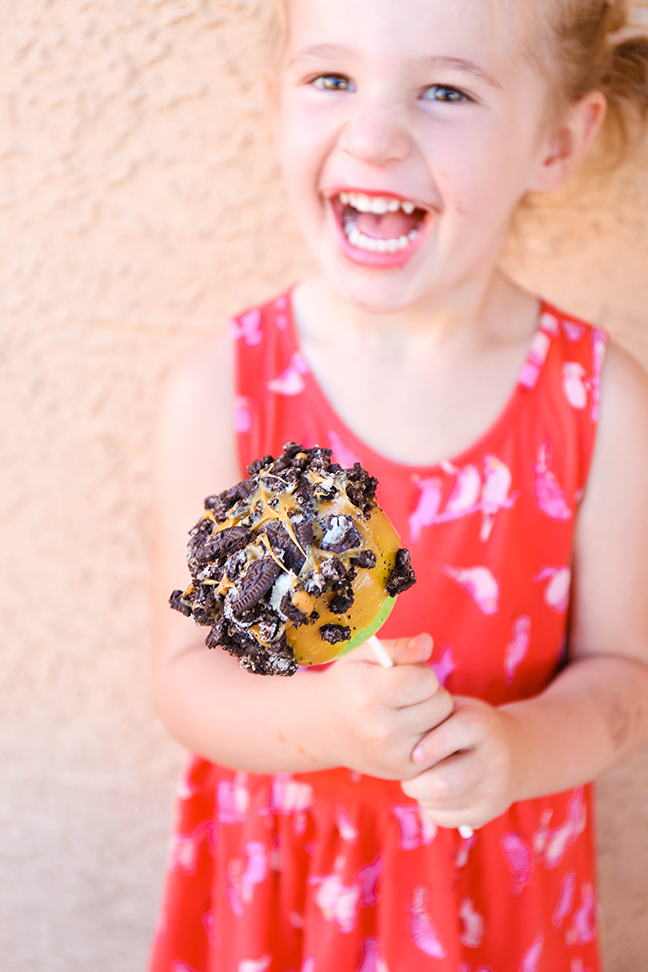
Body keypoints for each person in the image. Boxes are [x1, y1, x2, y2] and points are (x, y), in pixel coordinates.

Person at [148, 1, 648, 969]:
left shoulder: (600, 403)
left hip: (493, 895)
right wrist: (327, 725)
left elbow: (624, 681)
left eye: (446, 90)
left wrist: (518, 753)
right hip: (285, 891)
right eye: (331, 79)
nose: (373, 136)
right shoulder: (225, 387)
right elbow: (185, 678)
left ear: (556, 142)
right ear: (275, 103)